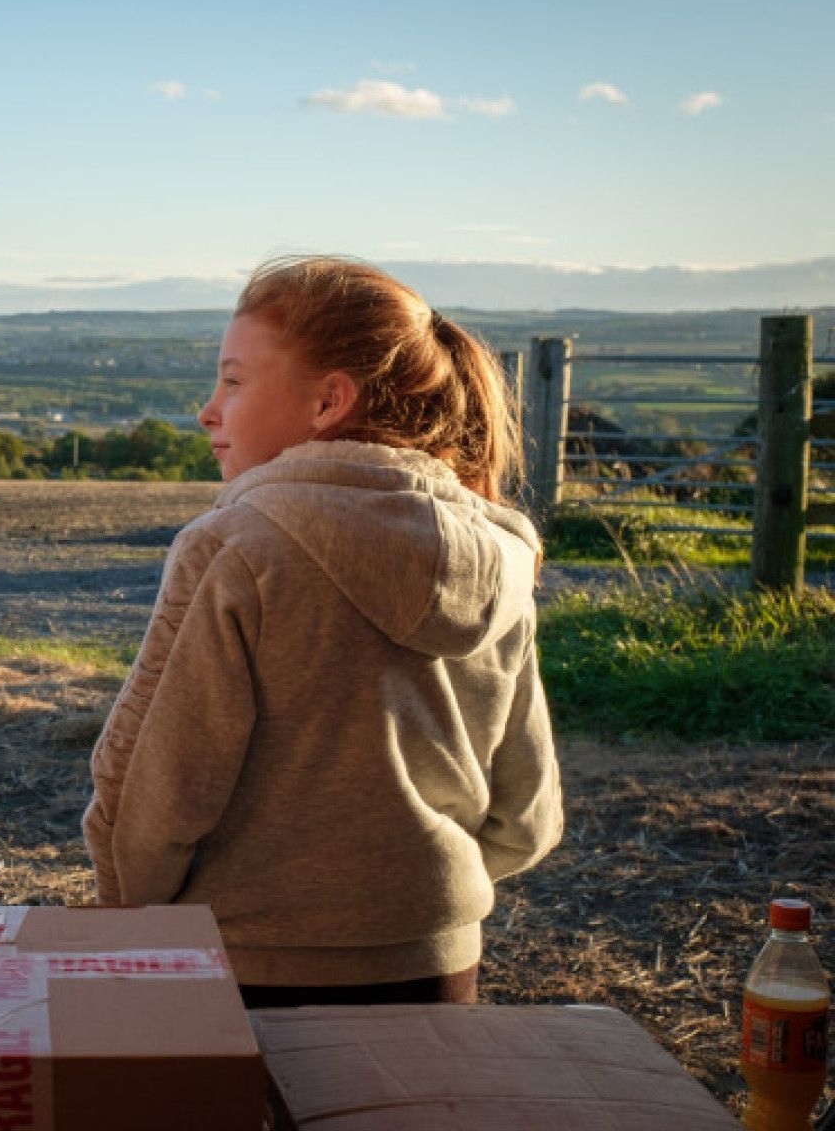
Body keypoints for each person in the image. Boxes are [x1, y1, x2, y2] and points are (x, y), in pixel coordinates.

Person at [82, 255, 562, 1007]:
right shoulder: (503, 554)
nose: (208, 410)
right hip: (439, 962)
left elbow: (152, 793)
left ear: (328, 402)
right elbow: (526, 816)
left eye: (234, 381)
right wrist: (417, 889)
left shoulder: (236, 547)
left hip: (249, 964)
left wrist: (129, 910)